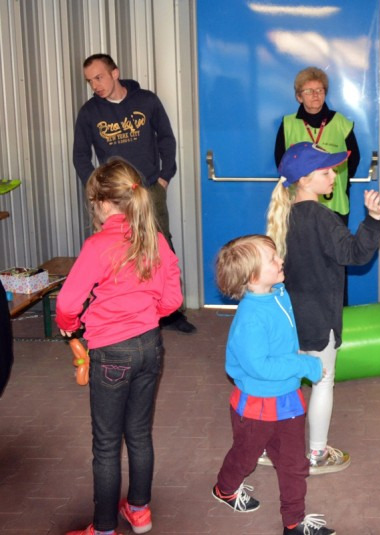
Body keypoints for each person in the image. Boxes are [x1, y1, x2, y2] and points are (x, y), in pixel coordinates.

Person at [56, 158, 183, 535]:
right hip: (150, 347)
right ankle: (139, 511)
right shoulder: (155, 238)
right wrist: (146, 315)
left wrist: (70, 326)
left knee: (107, 444)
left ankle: (104, 528)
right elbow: (173, 299)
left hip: (111, 353)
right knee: (139, 433)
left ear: (101, 201)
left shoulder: (97, 245)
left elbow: (67, 303)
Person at [265, 142, 380, 474]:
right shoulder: (323, 218)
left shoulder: (280, 217)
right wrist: (374, 220)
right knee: (322, 381)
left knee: (283, 383)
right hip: (319, 320)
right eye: (326, 171)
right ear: (304, 179)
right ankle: (316, 454)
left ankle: (269, 447)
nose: (334, 176)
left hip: (287, 320)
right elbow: (356, 254)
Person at [211, 234, 335, 535]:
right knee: (245, 457)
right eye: (272, 259)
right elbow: (261, 367)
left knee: (293, 464)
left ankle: (293, 522)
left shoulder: (277, 292)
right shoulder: (251, 318)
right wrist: (305, 365)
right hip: (256, 408)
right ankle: (225, 488)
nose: (281, 260)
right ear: (253, 277)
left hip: (288, 399)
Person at [73, 53, 196, 334]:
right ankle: (121, 310)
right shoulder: (89, 112)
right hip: (114, 196)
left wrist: (164, 176)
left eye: (99, 77)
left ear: (115, 73)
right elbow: (80, 155)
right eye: (90, 81)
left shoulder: (146, 101)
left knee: (161, 245)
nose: (95, 85)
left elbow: (166, 138)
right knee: (115, 250)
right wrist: (97, 190)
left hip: (149, 189)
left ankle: (171, 313)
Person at [274, 66, 360, 225]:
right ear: (299, 97)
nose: (315, 94)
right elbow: (281, 162)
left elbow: (354, 158)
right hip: (299, 202)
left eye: (320, 90)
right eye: (309, 91)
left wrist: (339, 182)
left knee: (336, 241)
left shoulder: (340, 122)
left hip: (335, 201)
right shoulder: (288, 124)